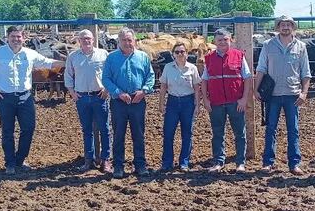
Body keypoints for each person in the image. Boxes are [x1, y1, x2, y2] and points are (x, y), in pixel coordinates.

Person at [0, 25, 65, 175]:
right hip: (4, 97)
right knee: (7, 131)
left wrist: (67, 62)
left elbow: (47, 63)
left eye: (19, 37)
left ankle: (20, 159)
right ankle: (10, 163)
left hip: (25, 96)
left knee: (29, 128)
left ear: (24, 38)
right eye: (13, 36)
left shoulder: (30, 54)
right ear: (7, 38)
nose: (16, 39)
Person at [254, 15, 311, 175]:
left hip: (293, 94)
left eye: (288, 25)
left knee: (293, 129)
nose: (285, 27)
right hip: (273, 94)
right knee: (270, 128)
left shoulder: (301, 46)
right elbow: (261, 68)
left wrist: (304, 92)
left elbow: (305, 72)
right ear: (278, 27)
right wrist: (255, 89)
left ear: (293, 27)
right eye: (282, 24)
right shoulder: (268, 45)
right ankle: (268, 162)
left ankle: (294, 163)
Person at [102, 27, 155, 179]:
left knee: (138, 134)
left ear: (134, 41)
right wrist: (118, 92)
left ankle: (140, 165)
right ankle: (118, 166)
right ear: (119, 41)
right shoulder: (112, 58)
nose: (127, 43)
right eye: (124, 40)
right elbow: (106, 78)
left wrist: (144, 91)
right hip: (119, 102)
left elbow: (150, 76)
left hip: (138, 100)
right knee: (118, 135)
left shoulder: (143, 57)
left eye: (129, 40)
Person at [201, 28, 253, 173]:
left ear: (231, 40)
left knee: (239, 133)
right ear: (214, 42)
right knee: (217, 133)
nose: (223, 42)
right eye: (220, 40)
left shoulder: (239, 56)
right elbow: (204, 80)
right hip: (216, 102)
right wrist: (205, 99)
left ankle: (240, 163)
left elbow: (247, 78)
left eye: (225, 39)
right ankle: (218, 161)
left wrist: (244, 99)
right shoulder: (209, 58)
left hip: (235, 102)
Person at [64, 29, 112, 173]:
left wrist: (107, 89)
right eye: (83, 38)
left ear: (93, 39)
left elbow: (110, 74)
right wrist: (72, 92)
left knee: (105, 129)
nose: (86, 41)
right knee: (87, 130)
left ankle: (105, 160)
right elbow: (68, 75)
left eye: (89, 38)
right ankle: (88, 160)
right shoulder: (73, 56)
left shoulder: (103, 54)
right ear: (79, 41)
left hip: (99, 96)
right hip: (82, 97)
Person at [158, 42, 202, 172]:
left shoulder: (192, 68)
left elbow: (196, 88)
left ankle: (184, 162)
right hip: (172, 101)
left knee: (187, 133)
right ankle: (167, 162)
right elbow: (163, 87)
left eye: (182, 52)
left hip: (188, 101)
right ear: (173, 55)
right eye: (177, 52)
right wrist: (161, 103)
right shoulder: (167, 67)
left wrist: (197, 105)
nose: (180, 54)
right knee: (168, 133)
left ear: (187, 54)